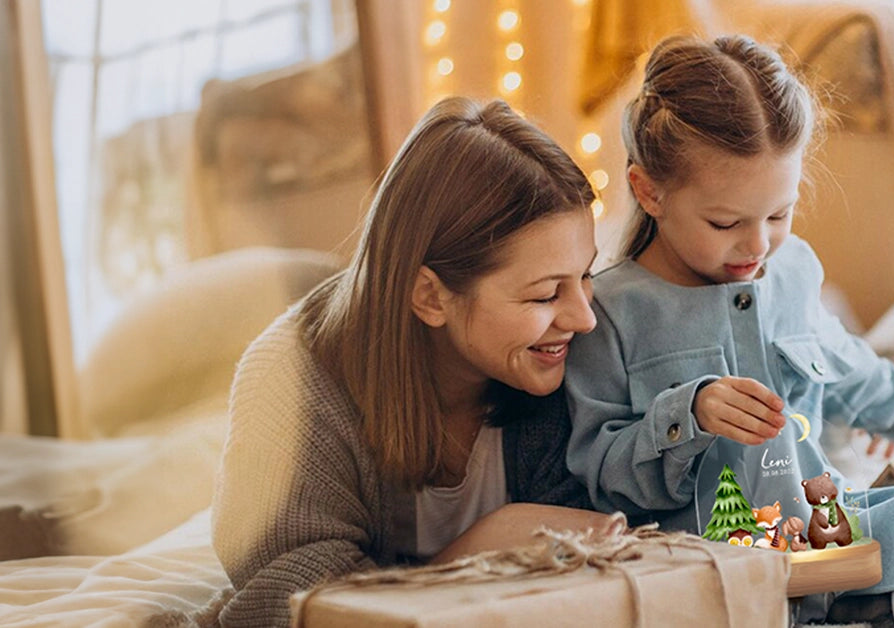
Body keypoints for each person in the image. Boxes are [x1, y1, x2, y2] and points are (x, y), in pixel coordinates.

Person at [564, 35, 894, 628]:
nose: (757, 245)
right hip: (705, 549)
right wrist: (688, 414)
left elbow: (841, 358)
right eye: (725, 222)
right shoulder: (608, 311)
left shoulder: (792, 271)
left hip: (822, 525)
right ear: (649, 192)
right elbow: (600, 471)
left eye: (778, 214)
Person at [212, 97, 610, 627]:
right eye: (543, 296)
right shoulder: (291, 384)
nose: (585, 319)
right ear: (429, 295)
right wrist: (474, 552)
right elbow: (284, 605)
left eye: (585, 275)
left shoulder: (567, 359)